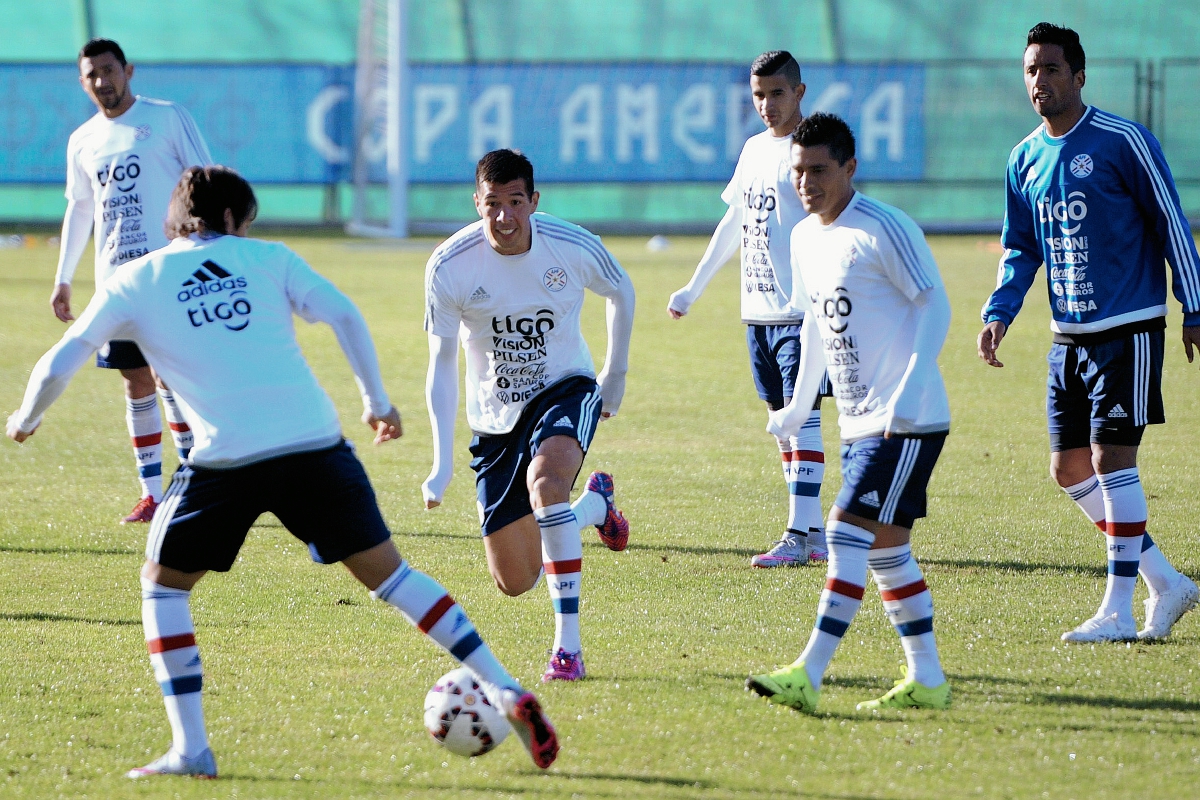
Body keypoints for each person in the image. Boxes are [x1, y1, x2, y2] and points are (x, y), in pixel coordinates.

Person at [7, 166, 558, 777]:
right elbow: (345, 313)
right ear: (233, 220)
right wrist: (375, 400)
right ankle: (505, 687)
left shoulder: (137, 278)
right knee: (393, 578)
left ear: (178, 217)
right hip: (314, 443)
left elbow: (64, 358)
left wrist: (26, 416)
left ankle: (191, 748)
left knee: (163, 587)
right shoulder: (269, 257)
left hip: (224, 459)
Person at [978, 23, 1200, 643]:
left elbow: (1171, 223)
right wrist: (999, 311)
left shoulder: (1122, 140)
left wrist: (1195, 305)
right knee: (1070, 469)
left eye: (1051, 69)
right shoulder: (1023, 158)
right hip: (1066, 335)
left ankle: (1118, 610)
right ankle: (1167, 582)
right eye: (1031, 71)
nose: (1039, 81)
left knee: (1110, 459)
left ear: (1079, 76)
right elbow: (1020, 246)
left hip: (1126, 327)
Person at [747, 113, 953, 713]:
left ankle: (807, 674)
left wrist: (915, 382)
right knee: (888, 551)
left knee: (841, 531)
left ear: (849, 168)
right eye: (798, 172)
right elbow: (813, 323)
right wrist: (796, 406)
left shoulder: (883, 228)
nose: (806, 183)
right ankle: (929, 681)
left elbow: (933, 304)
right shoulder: (804, 237)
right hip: (859, 420)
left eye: (819, 170)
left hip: (906, 419)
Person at [422, 149, 636, 682]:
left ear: (533, 202)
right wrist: (440, 463)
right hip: (494, 419)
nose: (504, 217)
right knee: (515, 580)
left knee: (546, 486)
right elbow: (442, 366)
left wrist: (614, 376)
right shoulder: (450, 265)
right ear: (477, 202)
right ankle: (594, 509)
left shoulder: (571, 245)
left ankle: (568, 649)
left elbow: (621, 290)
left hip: (565, 387)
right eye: (492, 203)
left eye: (515, 202)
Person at [667, 50, 828, 567]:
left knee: (801, 420)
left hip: (800, 314)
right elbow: (735, 222)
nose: (766, 104)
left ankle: (798, 535)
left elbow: (833, 225)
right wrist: (693, 288)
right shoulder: (755, 149)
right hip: (756, 312)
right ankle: (816, 531)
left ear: (799, 92)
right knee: (781, 423)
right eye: (758, 95)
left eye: (776, 93)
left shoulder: (813, 151)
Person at [53, 38, 212, 523]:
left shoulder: (166, 118)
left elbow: (204, 177)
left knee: (172, 375)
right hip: (117, 281)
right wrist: (63, 277)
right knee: (135, 379)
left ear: (129, 70)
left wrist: (212, 242)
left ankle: (191, 482)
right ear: (82, 82)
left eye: (109, 69)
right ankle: (151, 494)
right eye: (92, 74)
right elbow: (80, 207)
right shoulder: (82, 140)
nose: (102, 81)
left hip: (171, 271)